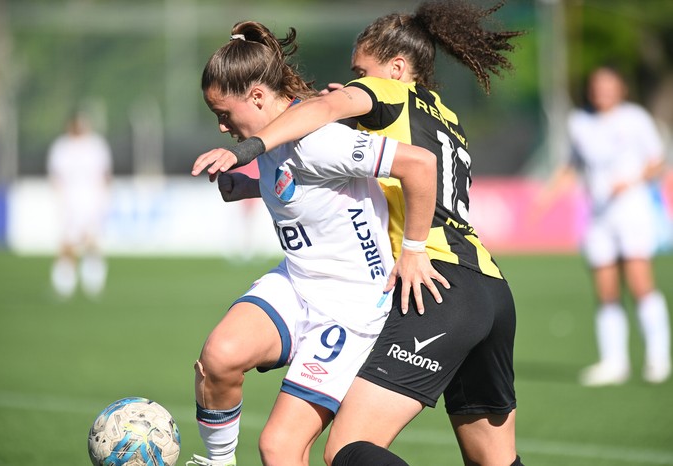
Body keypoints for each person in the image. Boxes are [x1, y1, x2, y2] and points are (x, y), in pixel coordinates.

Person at [193, 1, 526, 464]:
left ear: (395, 68)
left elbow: (335, 123)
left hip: (433, 280)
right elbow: (330, 181)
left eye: (359, 72)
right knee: (494, 460)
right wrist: (254, 182)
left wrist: (253, 147)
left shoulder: (379, 97)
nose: (350, 83)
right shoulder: (443, 117)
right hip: (488, 285)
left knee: (348, 451)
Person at [534, 65, 671, 386]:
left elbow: (656, 161)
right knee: (606, 289)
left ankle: (658, 357)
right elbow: (573, 165)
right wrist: (547, 195)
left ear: (621, 88)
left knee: (640, 283)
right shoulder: (579, 122)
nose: (602, 92)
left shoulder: (635, 118)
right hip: (598, 217)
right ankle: (614, 362)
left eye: (609, 85)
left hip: (632, 213)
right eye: (597, 86)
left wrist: (632, 180)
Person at [47, 112, 112, 299]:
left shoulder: (96, 145)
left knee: (92, 243)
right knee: (67, 245)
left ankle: (94, 286)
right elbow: (56, 176)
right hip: (70, 202)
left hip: (92, 201)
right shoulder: (61, 147)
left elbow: (105, 174)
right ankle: (63, 288)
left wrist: (103, 200)